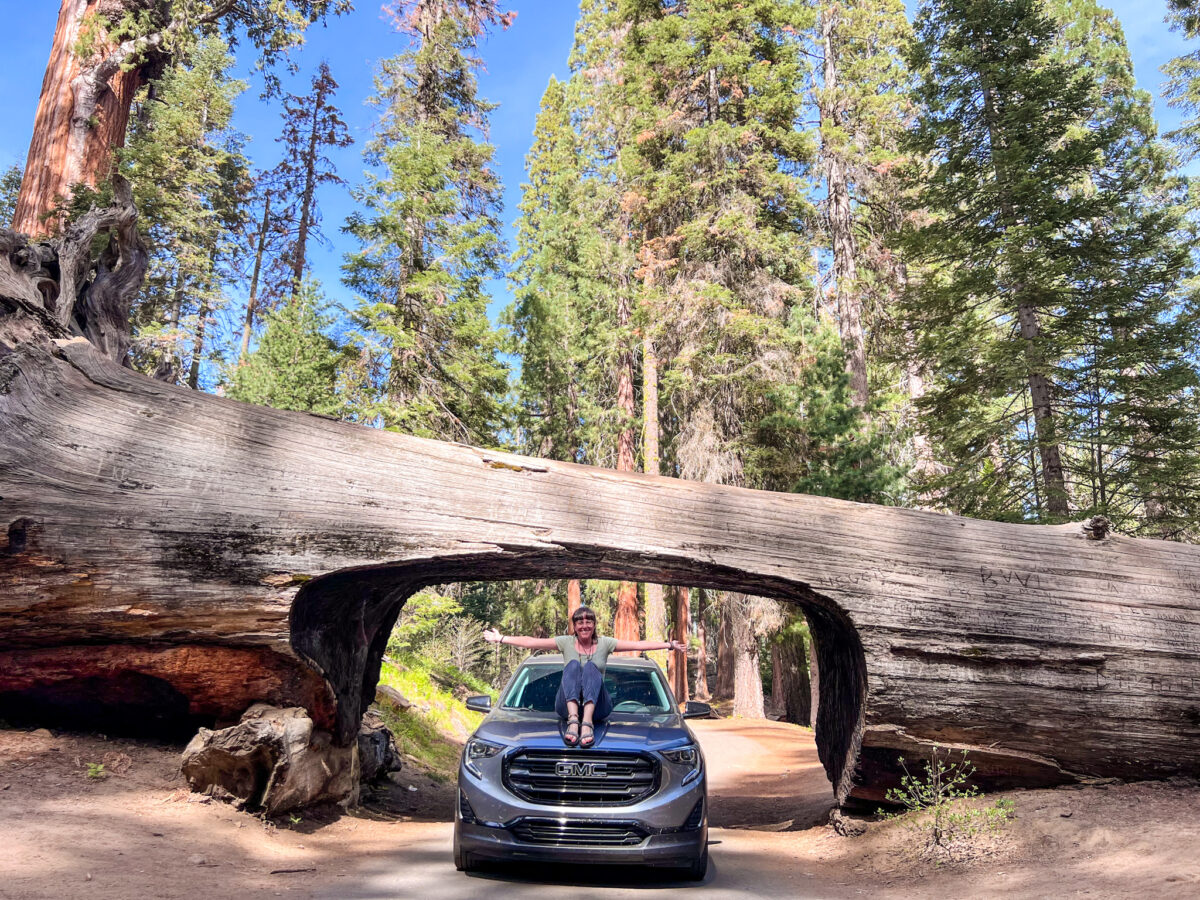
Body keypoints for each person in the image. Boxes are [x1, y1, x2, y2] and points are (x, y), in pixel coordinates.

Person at [483, 606, 685, 748]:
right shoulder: (565, 642)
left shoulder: (606, 644)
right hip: (565, 707)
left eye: (588, 621)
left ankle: (585, 723)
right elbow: (532, 642)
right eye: (580, 622)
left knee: (591, 668)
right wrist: (501, 638)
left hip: (599, 708)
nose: (584, 625)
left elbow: (638, 645)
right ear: (574, 626)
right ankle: (573, 720)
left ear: (594, 625)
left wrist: (669, 645)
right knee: (571, 665)